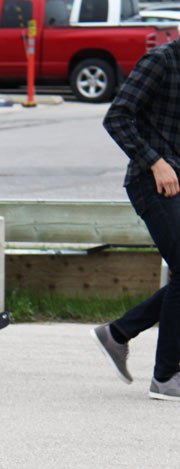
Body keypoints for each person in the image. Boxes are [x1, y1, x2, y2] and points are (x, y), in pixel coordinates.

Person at [96, 39, 180, 400]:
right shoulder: (161, 61)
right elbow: (117, 116)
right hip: (153, 182)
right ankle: (165, 377)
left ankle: (118, 333)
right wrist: (154, 161)